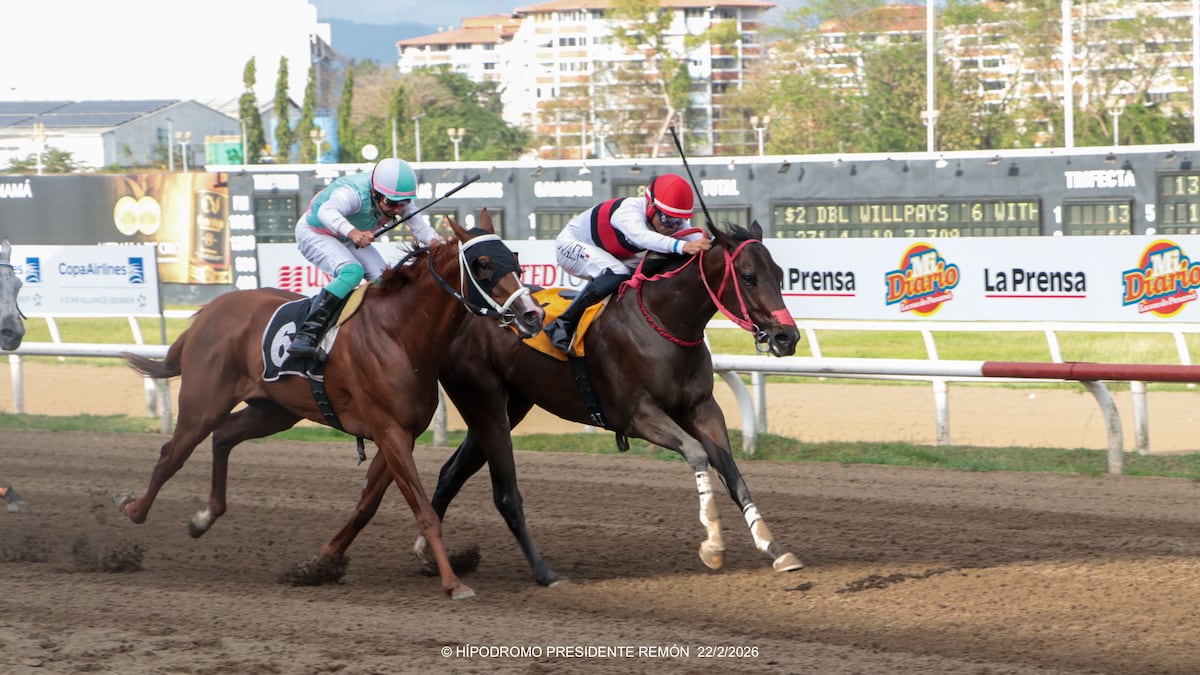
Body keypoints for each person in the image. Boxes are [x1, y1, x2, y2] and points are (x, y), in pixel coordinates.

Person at [288, 157, 441, 359]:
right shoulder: (353, 193)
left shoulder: (400, 201)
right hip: (315, 232)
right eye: (391, 203)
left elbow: (421, 228)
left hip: (345, 235)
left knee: (384, 279)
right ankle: (307, 334)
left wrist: (437, 243)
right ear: (375, 193)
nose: (397, 209)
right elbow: (327, 211)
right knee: (352, 271)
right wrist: (354, 233)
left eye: (403, 204)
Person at [544, 173, 712, 352]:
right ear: (650, 206)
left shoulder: (673, 222)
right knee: (619, 271)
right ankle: (562, 324)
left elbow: (703, 242)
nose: (672, 226)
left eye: (678, 221)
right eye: (667, 219)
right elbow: (642, 237)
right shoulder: (628, 211)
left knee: (647, 271)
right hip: (571, 245)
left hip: (610, 254)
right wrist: (683, 245)